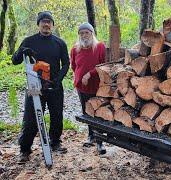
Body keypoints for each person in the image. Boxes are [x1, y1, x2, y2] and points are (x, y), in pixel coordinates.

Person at [12, 11, 70, 163]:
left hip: (54, 85)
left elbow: (66, 63)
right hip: (34, 86)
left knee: (57, 115)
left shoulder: (59, 43)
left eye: (49, 22)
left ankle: (55, 142)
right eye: (43, 21)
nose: (46, 24)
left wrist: (59, 79)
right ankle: (24, 149)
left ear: (52, 25)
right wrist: (21, 51)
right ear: (38, 24)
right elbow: (15, 60)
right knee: (31, 118)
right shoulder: (29, 41)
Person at [70, 22, 106, 155]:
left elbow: (103, 65)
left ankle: (100, 140)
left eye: (87, 32)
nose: (84, 35)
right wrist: (80, 76)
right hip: (81, 86)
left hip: (97, 86)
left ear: (92, 33)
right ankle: (91, 135)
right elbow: (74, 66)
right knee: (86, 111)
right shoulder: (75, 49)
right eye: (81, 33)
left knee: (97, 112)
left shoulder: (100, 47)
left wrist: (90, 73)